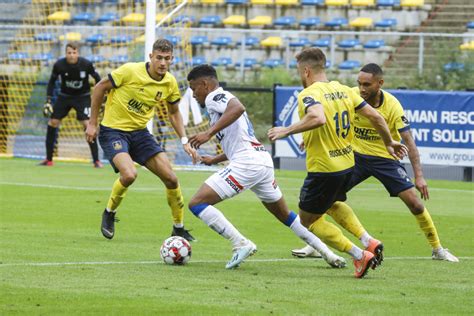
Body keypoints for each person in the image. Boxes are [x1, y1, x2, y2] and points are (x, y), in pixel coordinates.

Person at [291, 63, 459, 262]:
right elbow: (330, 117)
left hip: (385, 159)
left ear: (380, 83)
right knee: (326, 200)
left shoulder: (393, 105)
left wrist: (419, 176)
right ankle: (318, 244)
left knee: (414, 203)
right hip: (356, 157)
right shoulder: (351, 94)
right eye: (359, 83)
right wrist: (310, 137)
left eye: (367, 85)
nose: (362, 89)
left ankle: (437, 249)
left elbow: (409, 142)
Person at [186, 64, 346, 270]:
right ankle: (328, 254)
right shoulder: (219, 105)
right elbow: (241, 140)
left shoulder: (215, 97)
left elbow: (238, 107)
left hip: (247, 164)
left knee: (197, 203)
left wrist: (207, 134)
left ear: (205, 84)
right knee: (285, 215)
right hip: (260, 160)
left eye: (193, 89)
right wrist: (214, 160)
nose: (193, 95)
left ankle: (240, 243)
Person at [268, 48, 408, 278]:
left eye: (299, 71)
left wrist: (288, 130)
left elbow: (318, 117)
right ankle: (368, 240)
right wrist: (390, 142)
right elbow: (376, 116)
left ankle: (359, 255)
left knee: (307, 221)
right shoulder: (343, 90)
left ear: (306, 70)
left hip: (324, 169)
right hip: (346, 163)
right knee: (331, 203)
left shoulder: (309, 93)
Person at [85, 39, 197, 241]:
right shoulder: (129, 71)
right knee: (129, 175)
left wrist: (184, 139)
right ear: (151, 57)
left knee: (171, 178)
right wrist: (93, 123)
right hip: (113, 131)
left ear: (172, 59)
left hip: (140, 133)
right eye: (159, 58)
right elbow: (100, 87)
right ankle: (109, 213)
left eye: (167, 59)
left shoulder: (169, 82)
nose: (162, 63)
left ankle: (178, 227)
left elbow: (174, 113)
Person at [39, 42, 102, 167]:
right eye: (69, 53)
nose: (72, 55)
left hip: (82, 97)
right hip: (64, 97)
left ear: (77, 53)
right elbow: (51, 82)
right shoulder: (59, 65)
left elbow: (98, 79)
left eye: (74, 52)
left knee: (88, 125)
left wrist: (99, 96)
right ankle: (49, 159)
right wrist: (48, 100)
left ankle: (96, 160)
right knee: (53, 122)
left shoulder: (86, 64)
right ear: (65, 53)